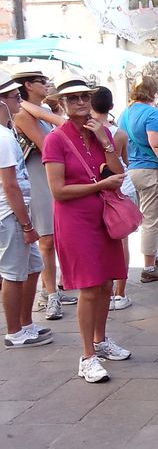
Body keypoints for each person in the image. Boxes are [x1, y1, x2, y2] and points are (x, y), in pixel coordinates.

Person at [43, 73, 132, 383]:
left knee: (107, 283)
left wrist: (107, 143)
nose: (80, 102)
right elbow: (57, 191)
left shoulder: (99, 133)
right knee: (90, 287)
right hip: (74, 221)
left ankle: (101, 341)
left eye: (84, 97)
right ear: (61, 104)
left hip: (102, 217)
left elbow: (118, 172)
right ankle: (87, 356)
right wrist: (99, 186)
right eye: (72, 98)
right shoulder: (56, 138)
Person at [10, 66, 68, 319]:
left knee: (53, 236)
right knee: (45, 237)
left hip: (46, 176)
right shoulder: (23, 113)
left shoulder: (40, 111)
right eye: (41, 81)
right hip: (36, 177)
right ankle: (50, 294)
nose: (46, 84)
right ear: (28, 85)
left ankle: (51, 289)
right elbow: (48, 146)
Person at [0, 73, 51, 347]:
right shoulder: (3, 138)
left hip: (17, 212)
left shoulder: (7, 133)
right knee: (14, 273)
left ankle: (26, 323)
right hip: (10, 215)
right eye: (13, 96)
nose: (18, 100)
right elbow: (10, 185)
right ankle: (14, 331)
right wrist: (27, 225)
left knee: (33, 267)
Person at [120, 75, 158, 282]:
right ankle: (150, 267)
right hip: (151, 171)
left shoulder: (124, 114)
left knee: (150, 217)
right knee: (153, 219)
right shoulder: (151, 114)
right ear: (153, 92)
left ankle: (156, 253)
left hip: (133, 171)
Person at [91, 86, 132, 310]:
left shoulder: (87, 130)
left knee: (103, 239)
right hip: (122, 185)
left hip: (101, 186)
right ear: (111, 107)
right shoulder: (120, 133)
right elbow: (123, 162)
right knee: (122, 240)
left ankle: (102, 287)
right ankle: (120, 293)